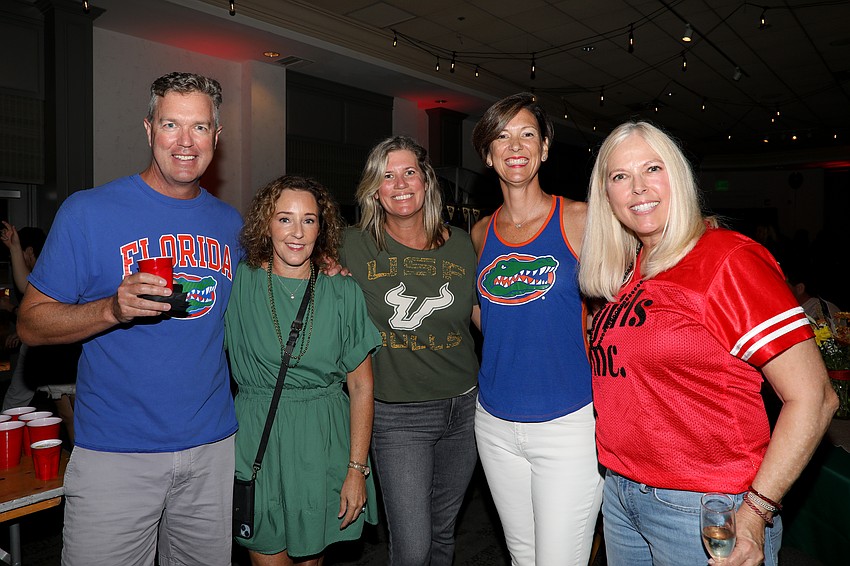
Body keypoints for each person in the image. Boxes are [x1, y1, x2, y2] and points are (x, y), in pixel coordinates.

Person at [577, 120, 838, 566]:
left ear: (677, 176)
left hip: (703, 506)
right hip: (621, 494)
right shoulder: (625, 273)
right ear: (606, 196)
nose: (638, 188)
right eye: (620, 177)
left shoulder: (727, 258)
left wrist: (756, 512)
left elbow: (814, 398)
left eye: (652, 169)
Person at [16, 72, 241, 566]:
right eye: (171, 125)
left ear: (216, 138)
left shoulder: (232, 225)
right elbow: (30, 324)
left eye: (199, 128)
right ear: (148, 129)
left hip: (212, 450)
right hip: (116, 454)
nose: (185, 142)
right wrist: (110, 309)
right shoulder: (89, 212)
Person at [469, 92, 603, 566]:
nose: (515, 146)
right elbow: (483, 314)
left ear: (545, 148)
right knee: (523, 556)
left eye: (528, 134)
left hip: (567, 424)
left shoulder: (581, 219)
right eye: (501, 137)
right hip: (495, 424)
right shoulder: (481, 232)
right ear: (487, 155)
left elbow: (625, 303)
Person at [339, 136, 480, 565]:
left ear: (426, 181)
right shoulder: (350, 244)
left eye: (409, 173)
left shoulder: (462, 242)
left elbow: (482, 312)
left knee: (442, 534)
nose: (399, 184)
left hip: (466, 407)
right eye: (387, 175)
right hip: (398, 415)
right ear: (373, 188)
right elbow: (286, 249)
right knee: (413, 546)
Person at [226, 175, 381, 565]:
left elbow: (362, 387)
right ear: (266, 224)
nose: (297, 232)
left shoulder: (343, 291)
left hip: (322, 443)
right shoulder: (239, 281)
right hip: (258, 437)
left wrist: (356, 470)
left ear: (321, 227)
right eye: (284, 219)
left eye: (309, 220)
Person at [1, 223, 47, 411]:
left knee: (70, 412)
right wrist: (14, 248)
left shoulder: (51, 270)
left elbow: (42, 312)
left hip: (58, 348)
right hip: (44, 345)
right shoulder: (40, 276)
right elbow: (27, 289)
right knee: (67, 412)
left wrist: (9, 307)